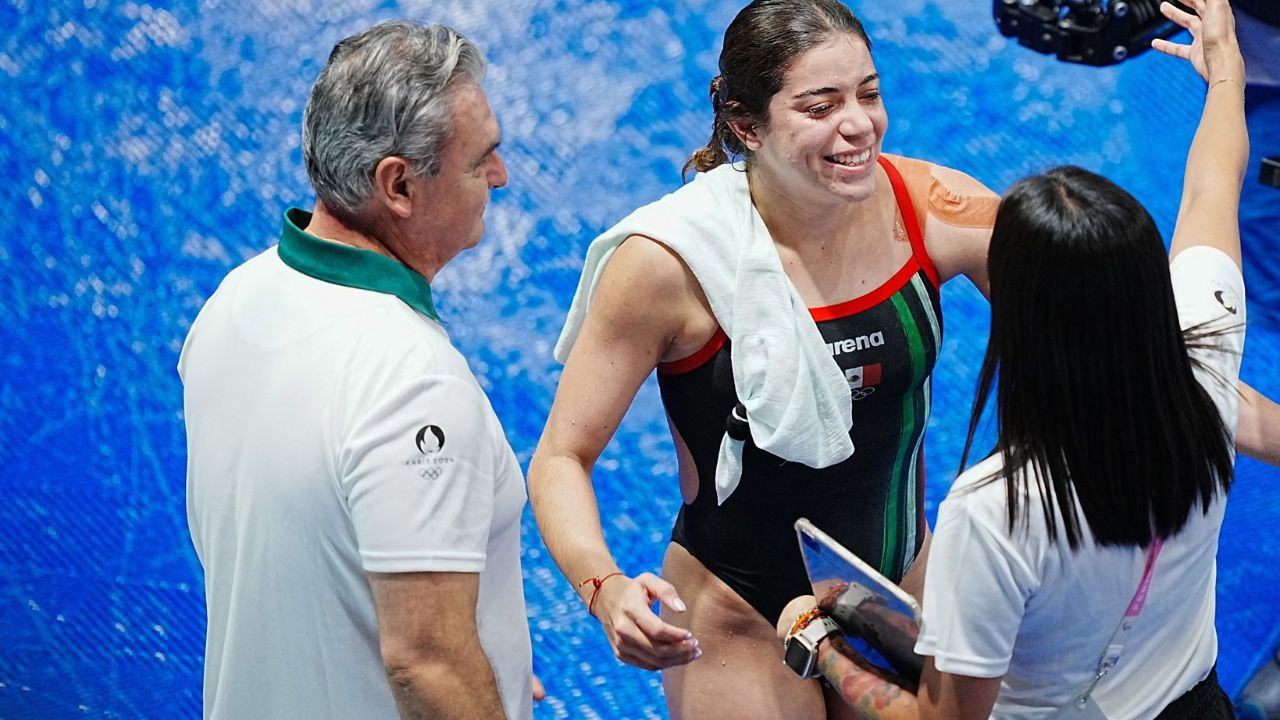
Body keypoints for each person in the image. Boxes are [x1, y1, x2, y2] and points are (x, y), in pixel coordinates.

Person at [530, 1, 1280, 718]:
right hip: (739, 610)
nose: (859, 125)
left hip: (897, 593)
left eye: (869, 94)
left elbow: (1106, 334)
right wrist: (604, 587)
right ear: (746, 126)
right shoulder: (666, 267)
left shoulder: (929, 209)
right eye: (821, 107)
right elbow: (562, 454)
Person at [775, 0, 1250, 717]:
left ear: (1019, 319)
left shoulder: (996, 511)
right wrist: (1227, 80)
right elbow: (1214, 189)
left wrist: (822, 648)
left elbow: (945, 717)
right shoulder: (1208, 372)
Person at [179, 21, 535, 720]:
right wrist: (463, 690)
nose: (501, 175)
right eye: (479, 161)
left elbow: (297, 545)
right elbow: (425, 661)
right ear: (398, 185)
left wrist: (487, 663)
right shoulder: (411, 380)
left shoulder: (232, 302)